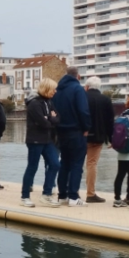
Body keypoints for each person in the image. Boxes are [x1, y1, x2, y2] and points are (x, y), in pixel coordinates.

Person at [53, 66, 91, 207]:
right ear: (78, 76)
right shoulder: (77, 89)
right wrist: (86, 127)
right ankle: (73, 197)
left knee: (64, 163)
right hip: (76, 131)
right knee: (76, 165)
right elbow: (83, 110)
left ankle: (62, 195)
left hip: (60, 131)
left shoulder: (57, 90)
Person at [19, 78, 61, 208]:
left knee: (55, 164)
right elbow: (44, 123)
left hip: (48, 140)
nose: (55, 91)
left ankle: (46, 194)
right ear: (47, 89)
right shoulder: (34, 104)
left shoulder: (49, 102)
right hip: (35, 140)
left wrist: (50, 118)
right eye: (53, 89)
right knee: (32, 167)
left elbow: (57, 119)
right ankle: (25, 196)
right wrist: (50, 118)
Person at [84, 76, 115, 203]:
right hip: (98, 137)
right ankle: (90, 193)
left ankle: (69, 192)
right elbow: (110, 121)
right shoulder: (106, 100)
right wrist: (111, 138)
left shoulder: (82, 97)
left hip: (81, 135)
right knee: (91, 164)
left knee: (75, 163)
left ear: (86, 87)